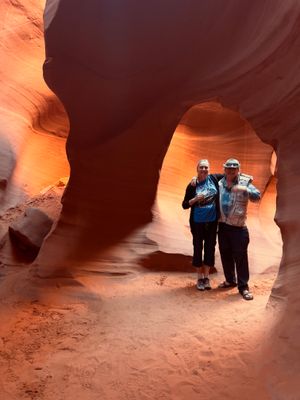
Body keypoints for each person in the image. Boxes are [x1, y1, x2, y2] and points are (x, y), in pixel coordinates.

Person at [217, 158, 261, 300]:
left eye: (233, 169)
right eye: (228, 168)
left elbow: (257, 197)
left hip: (238, 228)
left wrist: (246, 190)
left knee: (240, 257)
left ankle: (243, 287)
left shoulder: (244, 182)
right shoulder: (220, 182)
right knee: (225, 254)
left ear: (238, 170)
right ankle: (230, 280)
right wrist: (195, 178)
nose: (230, 171)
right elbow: (204, 178)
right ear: (224, 169)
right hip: (223, 226)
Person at [182, 159, 223, 290]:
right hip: (197, 223)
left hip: (211, 223)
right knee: (198, 248)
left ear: (209, 169)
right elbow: (184, 205)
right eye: (202, 167)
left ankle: (206, 278)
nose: (204, 169)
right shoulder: (192, 185)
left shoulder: (214, 179)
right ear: (197, 169)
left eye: (206, 167)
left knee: (210, 248)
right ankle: (199, 278)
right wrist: (194, 199)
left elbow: (230, 175)